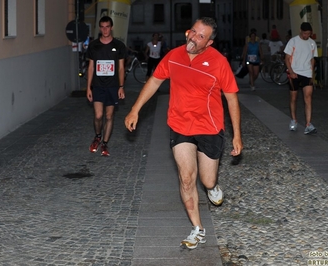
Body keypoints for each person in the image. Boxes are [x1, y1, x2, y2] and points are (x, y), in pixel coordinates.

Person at [124, 17, 243, 249]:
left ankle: (212, 187)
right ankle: (197, 229)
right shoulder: (173, 56)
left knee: (206, 179)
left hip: (209, 127)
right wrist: (135, 110)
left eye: (201, 36)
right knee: (186, 177)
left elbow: (231, 98)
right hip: (180, 125)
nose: (193, 37)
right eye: (193, 32)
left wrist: (237, 134)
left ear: (209, 42)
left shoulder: (218, 62)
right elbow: (154, 82)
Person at [86, 16, 126, 156]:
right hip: (97, 85)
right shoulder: (94, 45)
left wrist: (121, 86)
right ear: (99, 28)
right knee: (98, 115)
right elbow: (90, 67)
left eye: (107, 26)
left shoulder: (119, 46)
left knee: (109, 116)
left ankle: (105, 144)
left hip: (112, 86)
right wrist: (88, 87)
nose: (105, 29)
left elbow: (121, 68)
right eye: (102, 27)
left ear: (111, 27)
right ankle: (98, 136)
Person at [284, 22, 318, 135]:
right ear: (300, 31)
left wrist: (312, 73)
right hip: (294, 73)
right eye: (305, 33)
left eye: (308, 34)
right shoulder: (293, 41)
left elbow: (313, 59)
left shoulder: (312, 43)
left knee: (308, 98)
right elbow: (287, 58)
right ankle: (293, 120)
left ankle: (308, 124)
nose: (306, 36)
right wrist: (291, 71)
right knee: (293, 97)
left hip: (307, 73)